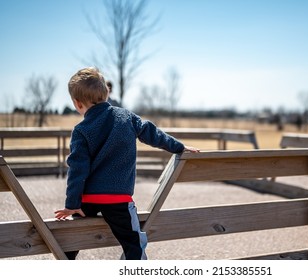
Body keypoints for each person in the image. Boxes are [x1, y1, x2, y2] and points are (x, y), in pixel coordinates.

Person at [54, 67, 199, 260]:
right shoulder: (126, 117)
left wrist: (72, 204)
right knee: (133, 244)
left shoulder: (81, 130)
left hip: (87, 199)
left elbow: (77, 169)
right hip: (118, 199)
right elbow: (153, 134)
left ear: (77, 103)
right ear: (106, 94)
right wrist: (178, 146)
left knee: (70, 241)